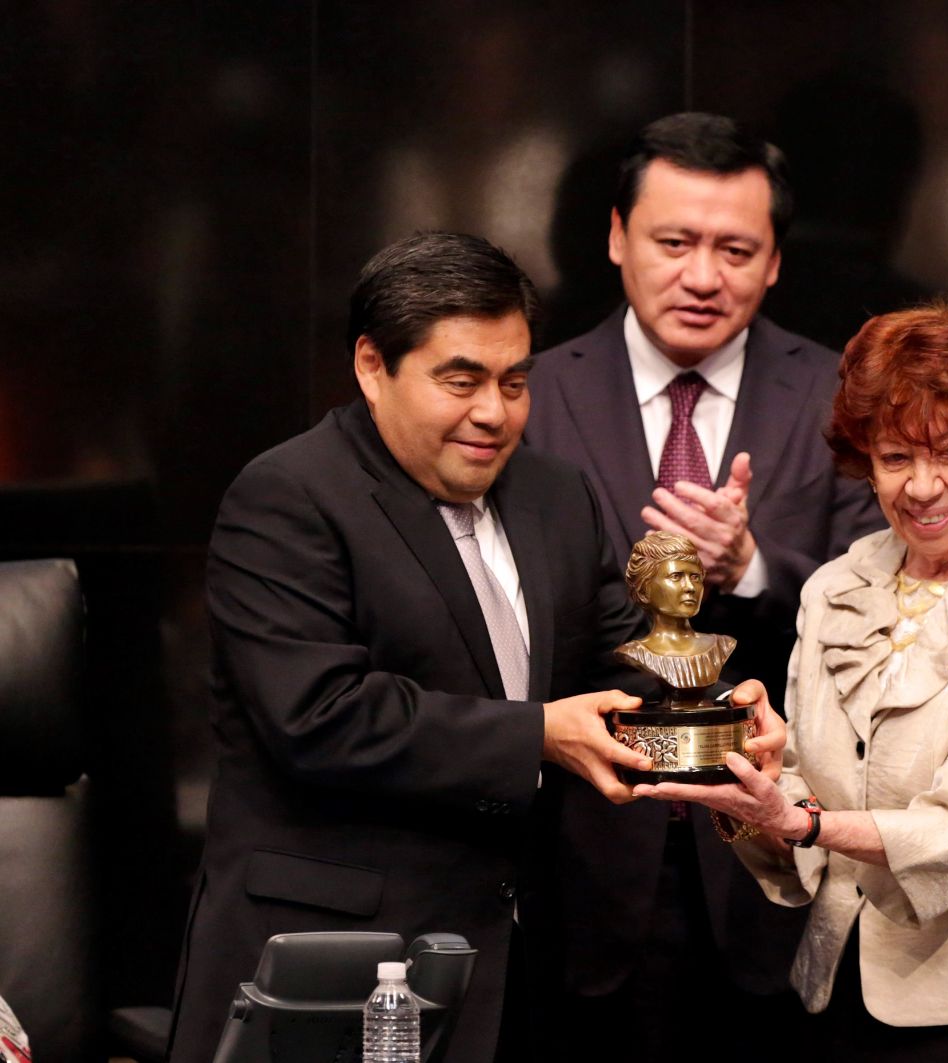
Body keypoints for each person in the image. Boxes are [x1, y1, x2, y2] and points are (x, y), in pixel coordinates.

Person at [165, 232, 780, 1063]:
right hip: (332, 965)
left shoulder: (556, 495)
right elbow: (319, 715)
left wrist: (721, 726)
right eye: (461, 380)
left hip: (515, 969)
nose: (494, 412)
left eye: (515, 381)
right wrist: (538, 734)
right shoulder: (288, 496)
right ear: (372, 367)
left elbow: (620, 664)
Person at [639, 303, 948, 1061]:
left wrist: (802, 821)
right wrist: (754, 783)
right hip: (842, 994)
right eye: (895, 458)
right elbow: (801, 790)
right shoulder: (834, 589)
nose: (922, 487)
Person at [523, 112, 881, 1046]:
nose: (702, 275)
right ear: (615, 237)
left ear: (774, 264)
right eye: (674, 242)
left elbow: (888, 611)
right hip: (577, 854)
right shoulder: (529, 396)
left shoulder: (841, 397)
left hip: (778, 850)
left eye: (735, 248)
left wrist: (751, 566)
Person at [616, 530, 737, 690]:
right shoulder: (633, 653)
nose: (690, 587)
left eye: (695, 577)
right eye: (676, 576)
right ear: (644, 590)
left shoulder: (723, 645)